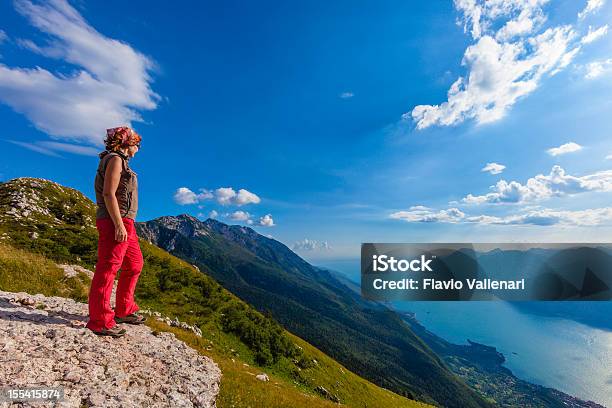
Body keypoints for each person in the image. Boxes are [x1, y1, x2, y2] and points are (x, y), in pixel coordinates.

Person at [86, 126, 147, 337]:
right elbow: (109, 194)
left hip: (125, 222)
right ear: (127, 143)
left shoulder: (120, 161)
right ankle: (100, 320)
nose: (138, 148)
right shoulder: (115, 159)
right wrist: (119, 224)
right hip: (115, 221)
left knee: (135, 264)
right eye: (136, 143)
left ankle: (124, 309)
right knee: (109, 267)